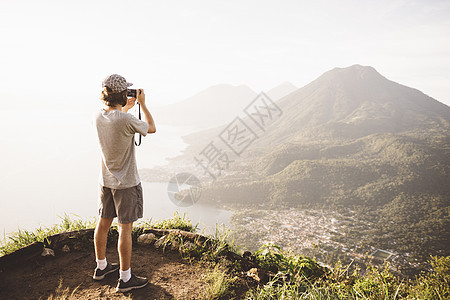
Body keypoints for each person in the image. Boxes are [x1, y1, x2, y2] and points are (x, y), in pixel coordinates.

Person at [92, 74, 156, 292]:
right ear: (122, 94)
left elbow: (116, 122)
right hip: (126, 184)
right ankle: (125, 278)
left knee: (103, 222)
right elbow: (151, 128)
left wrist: (124, 108)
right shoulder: (126, 120)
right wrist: (143, 105)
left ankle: (101, 267)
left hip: (106, 182)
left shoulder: (99, 116)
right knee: (124, 229)